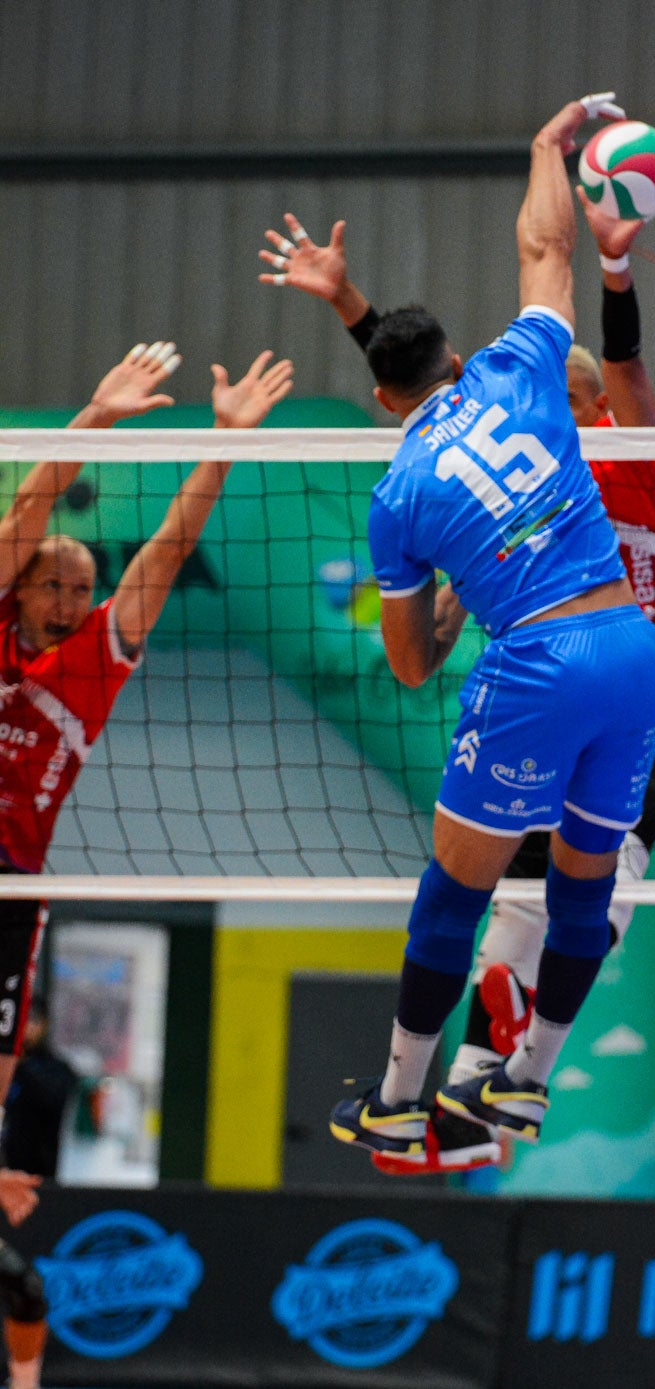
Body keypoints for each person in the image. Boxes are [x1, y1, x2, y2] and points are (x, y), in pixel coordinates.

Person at [260, 162, 655, 1178]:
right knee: (557, 888)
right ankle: (516, 1075)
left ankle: (407, 1096)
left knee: (470, 892)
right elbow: (489, 322)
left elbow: (428, 400)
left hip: (577, 669)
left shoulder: (619, 442)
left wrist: (612, 259)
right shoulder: (533, 402)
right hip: (633, 657)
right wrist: (347, 299)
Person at [0, 339, 293, 1386]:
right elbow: (29, 507)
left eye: (84, 584)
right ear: (24, 585)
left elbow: (166, 549)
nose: (73, 595)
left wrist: (219, 448)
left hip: (12, 892)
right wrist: (95, 415)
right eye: (56, 581)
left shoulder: (92, 665)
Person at [1, 994, 76, 1179]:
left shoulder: (55, 1068)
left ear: (44, 1025)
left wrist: (20, 1061)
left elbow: (52, 1098)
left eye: (32, 1020)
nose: (26, 1027)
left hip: (36, 1176)